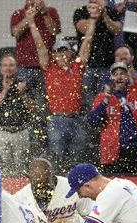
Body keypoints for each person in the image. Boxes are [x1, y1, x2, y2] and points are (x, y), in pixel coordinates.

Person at [30, 8, 96, 173]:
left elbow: (87, 41)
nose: (61, 54)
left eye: (64, 50)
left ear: (70, 52)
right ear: (53, 55)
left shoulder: (77, 67)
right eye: (57, 52)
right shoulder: (49, 68)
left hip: (77, 120)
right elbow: (39, 46)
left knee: (77, 160)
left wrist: (94, 19)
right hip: (57, 121)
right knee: (57, 162)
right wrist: (31, 22)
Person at [89, 62, 137, 174]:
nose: (119, 77)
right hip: (112, 152)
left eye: (122, 73)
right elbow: (93, 121)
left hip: (136, 150)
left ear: (127, 76)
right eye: (115, 74)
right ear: (110, 78)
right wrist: (106, 100)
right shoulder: (101, 97)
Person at [0, 54, 37, 176]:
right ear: (0, 69)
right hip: (0, 132)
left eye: (11, 65)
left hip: (21, 132)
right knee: (2, 170)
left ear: (16, 67)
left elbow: (33, 109)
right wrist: (4, 91)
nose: (8, 68)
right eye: (5, 65)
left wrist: (23, 94)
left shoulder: (24, 84)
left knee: (22, 169)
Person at [73, 0, 123, 111]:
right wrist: (93, 16)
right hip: (87, 66)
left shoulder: (111, 12)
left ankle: (100, 125)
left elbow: (116, 30)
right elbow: (83, 29)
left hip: (107, 65)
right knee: (86, 101)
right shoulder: (81, 11)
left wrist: (105, 15)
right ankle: (88, 125)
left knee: (104, 99)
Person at [10, 0, 62, 102]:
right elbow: (16, 32)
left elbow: (54, 31)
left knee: (49, 99)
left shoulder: (51, 11)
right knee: (23, 99)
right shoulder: (18, 13)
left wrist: (44, 12)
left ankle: (49, 118)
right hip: (25, 67)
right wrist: (28, 19)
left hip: (47, 66)